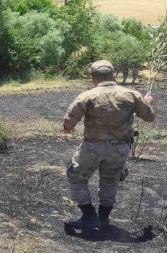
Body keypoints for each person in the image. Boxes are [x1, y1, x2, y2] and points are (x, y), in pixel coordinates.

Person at [63, 61, 156, 232]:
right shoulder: (132, 94)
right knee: (110, 181)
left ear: (93, 78)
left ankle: (89, 215)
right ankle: (104, 218)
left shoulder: (87, 96)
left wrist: (69, 129)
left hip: (92, 147)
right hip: (119, 148)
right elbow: (150, 117)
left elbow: (68, 123)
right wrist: (147, 102)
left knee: (76, 177)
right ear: (114, 75)